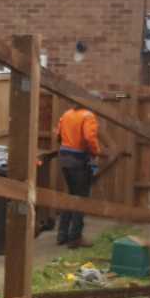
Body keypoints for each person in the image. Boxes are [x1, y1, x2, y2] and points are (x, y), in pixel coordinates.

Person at [56, 104, 103, 247]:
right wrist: (96, 152)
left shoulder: (67, 114)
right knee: (81, 198)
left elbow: (58, 135)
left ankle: (62, 235)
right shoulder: (88, 116)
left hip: (64, 158)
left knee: (71, 195)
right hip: (78, 160)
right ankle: (75, 238)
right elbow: (89, 138)